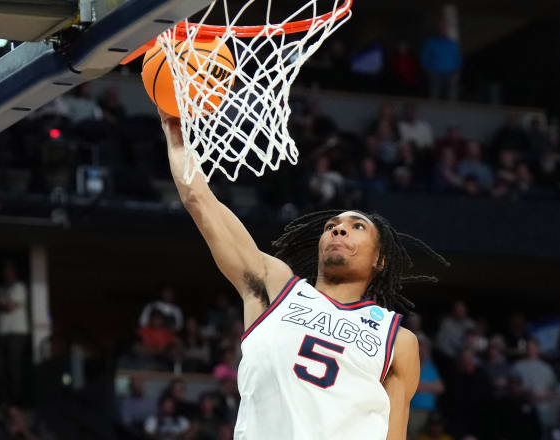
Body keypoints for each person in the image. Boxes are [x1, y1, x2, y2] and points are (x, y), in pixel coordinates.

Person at [159, 108, 450, 439]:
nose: (339, 231)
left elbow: (393, 434)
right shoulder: (275, 286)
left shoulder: (397, 340)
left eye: (357, 227)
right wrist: (175, 134)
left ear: (380, 260)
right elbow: (200, 200)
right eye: (332, 226)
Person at [0, 260, 30, 404]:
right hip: (0, 333)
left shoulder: (19, 287)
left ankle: (16, 402)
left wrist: (0, 306)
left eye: (9, 270)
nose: (6, 274)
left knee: (13, 366)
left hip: (17, 332)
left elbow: (11, 306)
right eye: (4, 271)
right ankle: (3, 400)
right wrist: (2, 305)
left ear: (14, 272)